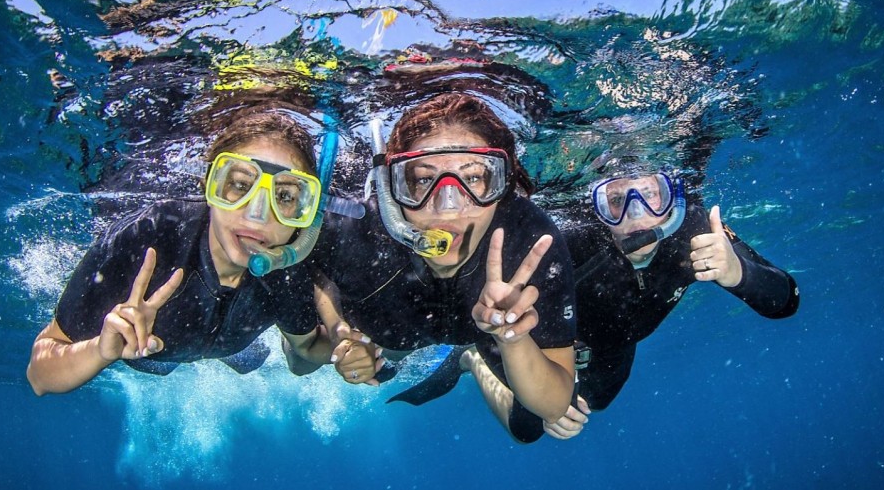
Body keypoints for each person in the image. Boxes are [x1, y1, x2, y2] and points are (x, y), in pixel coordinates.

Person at [26, 80, 338, 395]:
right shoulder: (149, 237)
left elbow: (309, 347)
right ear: (209, 186)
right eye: (241, 186)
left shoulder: (288, 268)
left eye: (284, 197)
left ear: (305, 211)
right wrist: (100, 351)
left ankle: (230, 352)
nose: (257, 215)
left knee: (248, 359)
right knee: (155, 364)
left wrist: (347, 349)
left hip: (228, 344)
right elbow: (39, 375)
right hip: (154, 352)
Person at [309, 92, 577, 443]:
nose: (448, 208)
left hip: (481, 331)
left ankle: (470, 358)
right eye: (422, 180)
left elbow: (554, 404)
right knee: (381, 361)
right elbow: (317, 272)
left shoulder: (528, 239)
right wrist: (339, 330)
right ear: (393, 187)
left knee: (530, 427)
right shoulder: (361, 226)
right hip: (394, 330)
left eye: (475, 179)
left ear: (502, 184)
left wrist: (513, 338)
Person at [540, 169, 800, 439]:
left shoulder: (694, 229)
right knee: (527, 427)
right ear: (598, 209)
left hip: (620, 344)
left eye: (650, 195)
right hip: (558, 347)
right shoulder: (571, 242)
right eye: (616, 201)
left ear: (671, 197)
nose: (635, 213)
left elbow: (787, 301)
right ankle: (489, 374)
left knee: (598, 402)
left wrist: (739, 273)